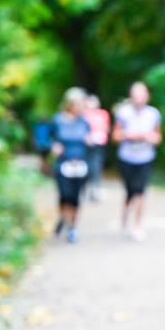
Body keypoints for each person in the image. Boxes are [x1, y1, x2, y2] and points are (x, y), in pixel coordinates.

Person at [112, 81, 162, 241]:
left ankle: (137, 225)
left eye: (142, 95)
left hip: (145, 158)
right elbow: (115, 135)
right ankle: (125, 214)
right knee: (130, 192)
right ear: (131, 96)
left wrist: (148, 137)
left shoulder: (153, 114)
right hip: (127, 158)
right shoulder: (123, 112)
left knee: (140, 192)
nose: (139, 98)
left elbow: (158, 137)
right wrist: (129, 135)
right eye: (136, 95)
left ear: (147, 96)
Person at [50, 87, 92, 244]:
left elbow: (89, 140)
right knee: (65, 196)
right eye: (78, 104)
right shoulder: (58, 120)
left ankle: (72, 227)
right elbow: (47, 139)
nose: (80, 107)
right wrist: (54, 146)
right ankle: (64, 218)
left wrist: (90, 141)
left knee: (75, 197)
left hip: (80, 164)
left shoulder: (84, 122)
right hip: (63, 164)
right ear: (70, 104)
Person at [82, 94, 111, 202]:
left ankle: (95, 190)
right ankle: (84, 189)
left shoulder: (103, 114)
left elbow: (106, 128)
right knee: (87, 167)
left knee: (97, 167)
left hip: (100, 143)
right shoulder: (83, 115)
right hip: (87, 145)